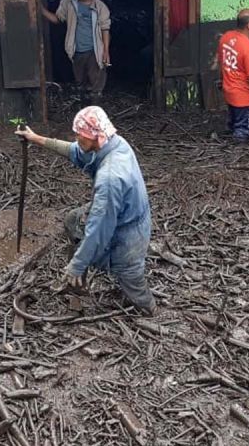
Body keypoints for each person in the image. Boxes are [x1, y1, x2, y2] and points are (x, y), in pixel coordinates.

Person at [15, 107, 155, 315]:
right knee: (74, 219)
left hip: (128, 233)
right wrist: (35, 138)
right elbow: (73, 150)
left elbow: (98, 229)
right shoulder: (114, 143)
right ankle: (79, 284)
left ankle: (150, 311)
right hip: (123, 213)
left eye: (79, 135)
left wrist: (76, 265)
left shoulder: (110, 177)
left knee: (133, 284)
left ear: (95, 137)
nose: (76, 138)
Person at [41, 0, 112, 99]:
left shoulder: (100, 6)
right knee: (80, 81)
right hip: (75, 49)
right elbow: (57, 19)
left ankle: (95, 106)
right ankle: (83, 107)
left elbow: (105, 29)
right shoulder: (68, 3)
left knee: (96, 82)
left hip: (94, 49)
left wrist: (106, 51)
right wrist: (40, 9)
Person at [217, 9, 249, 143]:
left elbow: (222, 63)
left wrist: (222, 80)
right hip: (244, 98)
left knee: (233, 123)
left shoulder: (225, 37)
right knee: (243, 133)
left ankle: (226, 143)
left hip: (229, 92)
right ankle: (236, 157)